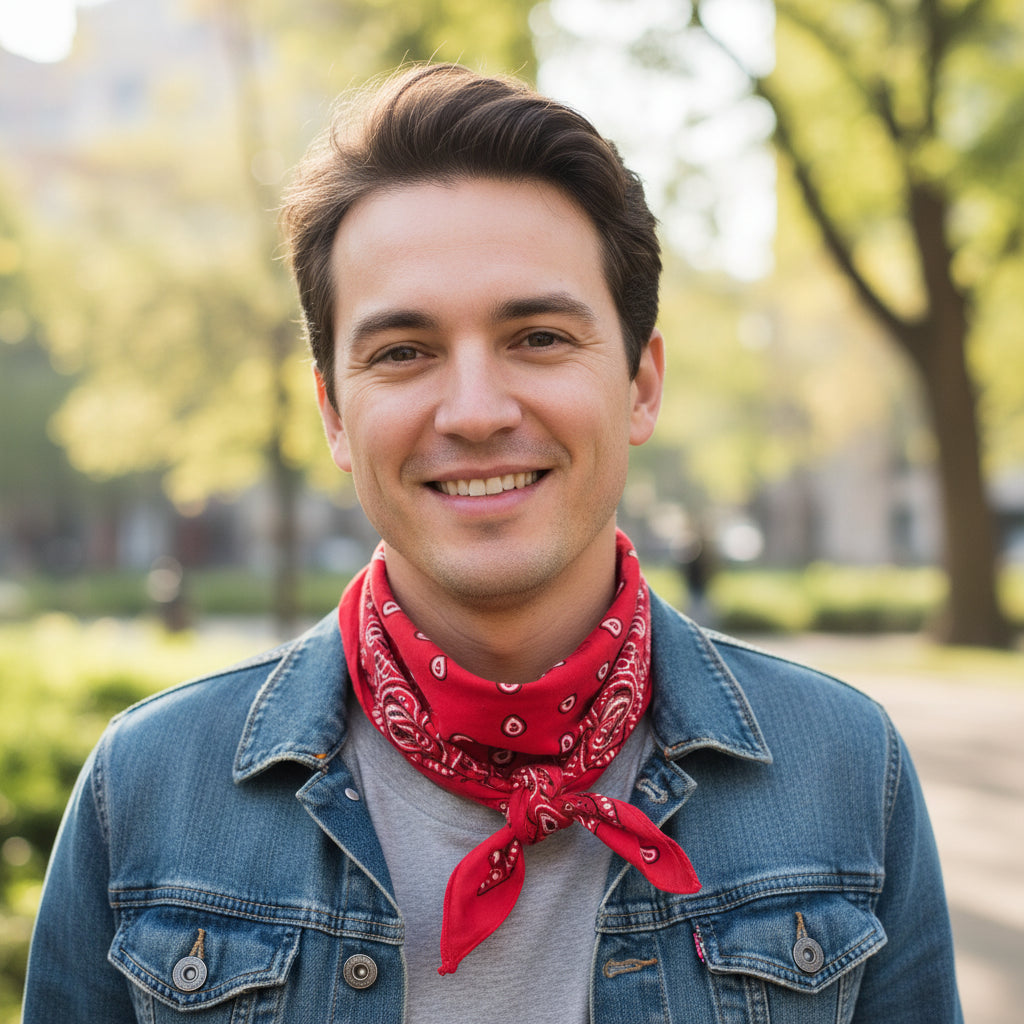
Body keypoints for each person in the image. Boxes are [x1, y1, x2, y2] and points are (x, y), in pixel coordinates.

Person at [23, 63, 962, 1023]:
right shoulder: (144, 792)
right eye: (403, 353)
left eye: (540, 338)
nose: (474, 413)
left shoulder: (847, 772)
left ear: (640, 383)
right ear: (334, 413)